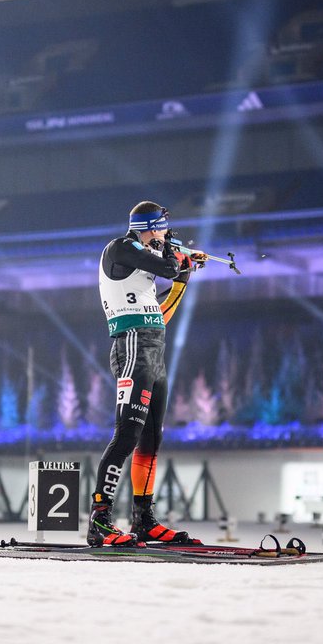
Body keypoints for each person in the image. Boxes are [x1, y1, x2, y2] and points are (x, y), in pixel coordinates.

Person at [88, 201, 206, 546]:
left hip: (153, 349)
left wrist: (184, 274)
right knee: (127, 434)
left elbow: (161, 314)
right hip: (133, 348)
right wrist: (177, 257)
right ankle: (100, 521)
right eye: (163, 230)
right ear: (151, 228)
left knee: (151, 440)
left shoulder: (143, 264)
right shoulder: (122, 248)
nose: (167, 235)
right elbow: (167, 266)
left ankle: (144, 520)